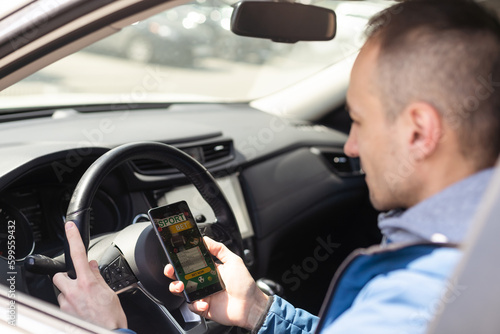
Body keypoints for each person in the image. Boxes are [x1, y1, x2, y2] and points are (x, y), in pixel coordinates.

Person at [53, 0, 500, 333]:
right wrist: (260, 311)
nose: (352, 145)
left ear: (420, 131)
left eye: (359, 121)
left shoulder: (415, 302)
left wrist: (105, 328)